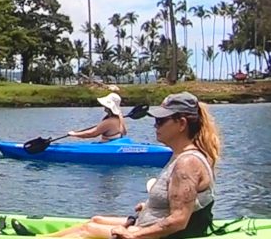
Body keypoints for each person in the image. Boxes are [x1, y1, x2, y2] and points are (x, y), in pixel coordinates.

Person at [14, 92, 221, 239]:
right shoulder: (182, 156)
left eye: (161, 121)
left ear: (182, 124)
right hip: (147, 222)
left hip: (155, 234)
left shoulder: (187, 163)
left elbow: (179, 220)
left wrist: (135, 234)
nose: (155, 125)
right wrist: (149, 206)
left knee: (87, 232)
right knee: (94, 220)